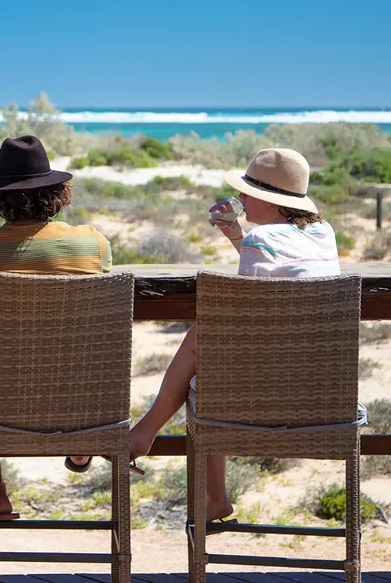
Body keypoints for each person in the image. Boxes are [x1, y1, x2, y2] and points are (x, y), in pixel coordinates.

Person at [129, 147, 339, 523]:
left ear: (269, 200)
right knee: (205, 343)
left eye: (247, 192)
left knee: (205, 346)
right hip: (322, 390)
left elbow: (248, 320)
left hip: (261, 395)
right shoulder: (323, 233)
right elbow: (283, 273)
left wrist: (246, 240)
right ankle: (150, 438)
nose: (240, 198)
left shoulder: (263, 242)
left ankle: (151, 438)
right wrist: (236, 234)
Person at [0, 135, 114, 520]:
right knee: (73, 357)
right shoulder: (93, 244)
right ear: (59, 194)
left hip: (7, 390)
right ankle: (80, 440)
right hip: (81, 385)